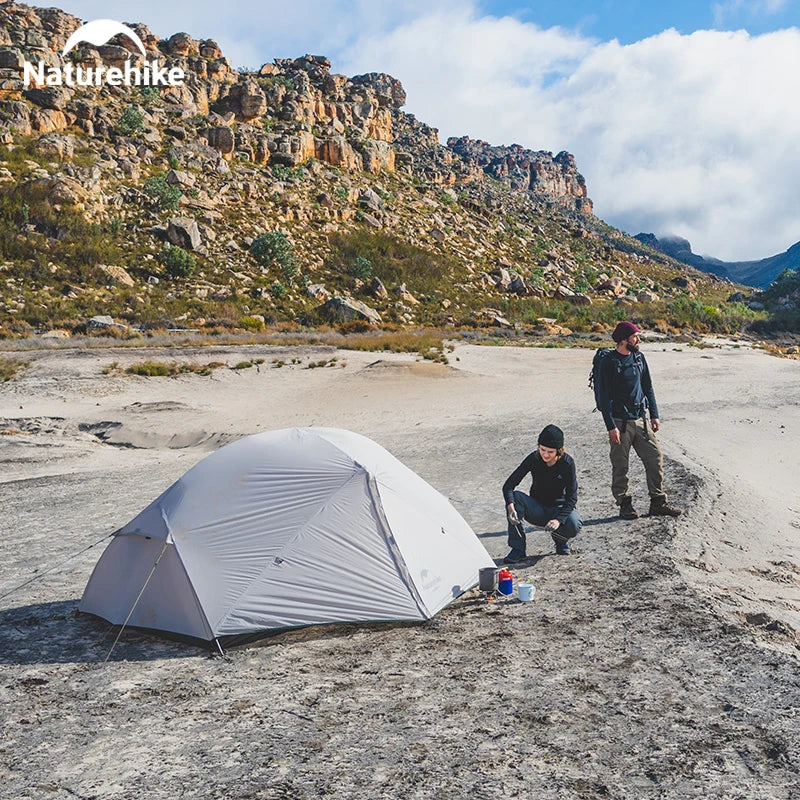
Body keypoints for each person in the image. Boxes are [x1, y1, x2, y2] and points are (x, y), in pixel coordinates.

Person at [597, 321, 682, 520]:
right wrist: (611, 426)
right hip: (619, 422)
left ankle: (658, 502)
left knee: (655, 458)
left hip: (641, 420)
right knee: (621, 465)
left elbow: (648, 387)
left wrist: (654, 414)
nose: (639, 339)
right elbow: (602, 398)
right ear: (624, 340)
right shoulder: (608, 362)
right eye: (635, 336)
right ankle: (624, 504)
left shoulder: (639, 358)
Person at [502, 424, 582, 562]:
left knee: (574, 524)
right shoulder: (533, 458)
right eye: (542, 449)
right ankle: (518, 549)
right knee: (515, 498)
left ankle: (560, 540)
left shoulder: (567, 463)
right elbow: (508, 486)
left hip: (558, 510)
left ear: (559, 451)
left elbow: (572, 498)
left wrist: (558, 520)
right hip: (537, 509)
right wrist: (510, 508)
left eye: (550, 452)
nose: (545, 454)